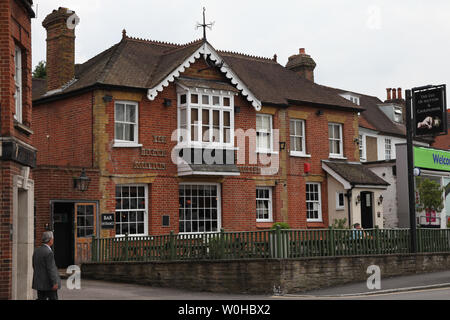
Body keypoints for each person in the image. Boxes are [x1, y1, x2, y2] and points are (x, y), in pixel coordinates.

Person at [32, 231, 61, 300]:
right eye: (52, 239)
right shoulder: (49, 252)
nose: (53, 240)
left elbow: (34, 265)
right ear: (50, 240)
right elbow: (51, 269)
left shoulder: (36, 251)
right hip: (49, 283)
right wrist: (54, 282)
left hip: (39, 283)